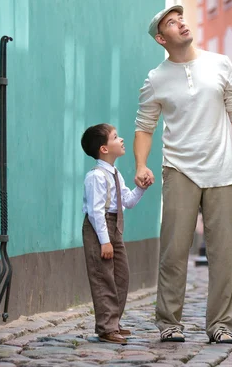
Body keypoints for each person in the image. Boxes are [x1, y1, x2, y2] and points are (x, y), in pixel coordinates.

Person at [133, 5, 232, 344]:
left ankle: (221, 325)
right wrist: (141, 165)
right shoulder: (156, 79)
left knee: (222, 255)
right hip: (179, 170)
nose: (181, 24)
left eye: (181, 19)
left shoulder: (219, 64)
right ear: (162, 38)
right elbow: (144, 127)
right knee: (173, 252)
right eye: (172, 23)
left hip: (221, 170)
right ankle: (169, 322)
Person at [81, 123, 149, 344]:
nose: (121, 140)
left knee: (121, 275)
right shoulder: (96, 176)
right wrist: (104, 241)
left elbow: (127, 201)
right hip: (100, 229)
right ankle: (106, 327)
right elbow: (95, 212)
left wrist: (141, 188)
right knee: (103, 278)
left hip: (115, 228)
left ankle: (114, 322)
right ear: (104, 148)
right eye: (115, 137)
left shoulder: (115, 174)